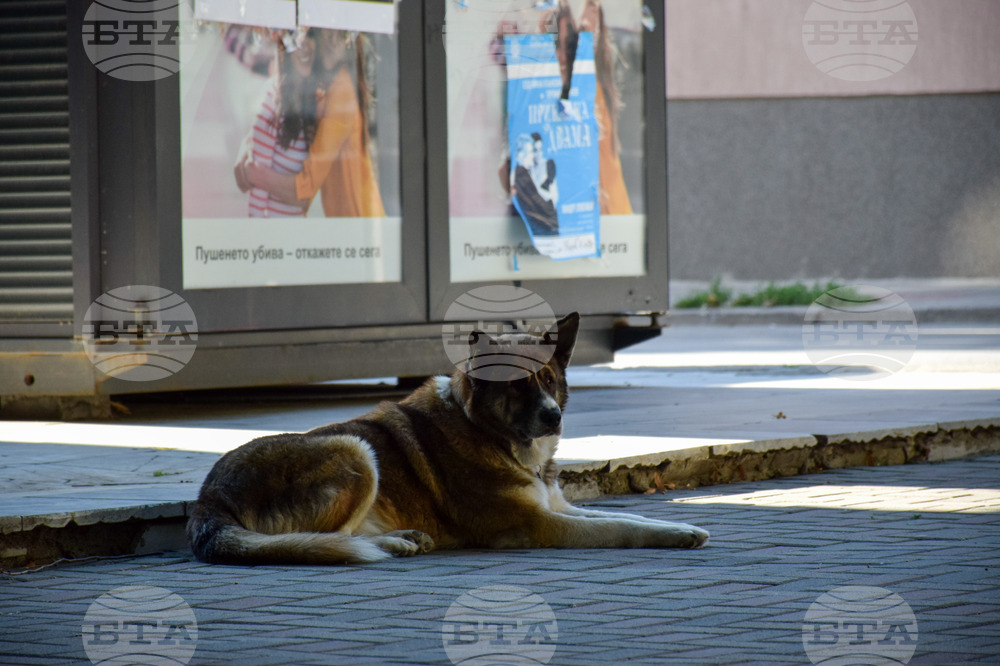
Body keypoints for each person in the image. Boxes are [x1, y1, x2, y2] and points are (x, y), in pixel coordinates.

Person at [244, 29, 385, 218]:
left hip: (359, 226)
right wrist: (247, 149)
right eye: (330, 31)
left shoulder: (341, 91)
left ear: (350, 43)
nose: (334, 40)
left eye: (342, 35)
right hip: (351, 227)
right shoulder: (321, 86)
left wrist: (257, 175)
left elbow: (304, 190)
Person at [233, 28, 319, 218]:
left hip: (296, 235)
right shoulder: (273, 98)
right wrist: (261, 236)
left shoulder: (313, 98)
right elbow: (257, 175)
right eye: (297, 36)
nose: (305, 43)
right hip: (273, 236)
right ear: (284, 46)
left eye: (311, 36)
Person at [578, 0, 632, 215]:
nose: (588, 22)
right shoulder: (575, 78)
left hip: (612, 199)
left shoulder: (602, 76)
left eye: (593, 12)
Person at [511, 133, 559, 236]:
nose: (534, 155)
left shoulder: (545, 166)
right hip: (542, 231)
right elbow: (536, 203)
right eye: (532, 151)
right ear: (521, 155)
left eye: (538, 150)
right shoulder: (523, 175)